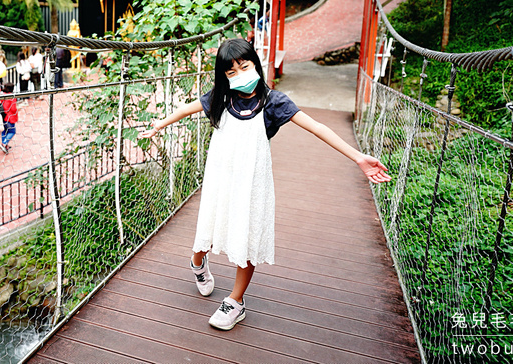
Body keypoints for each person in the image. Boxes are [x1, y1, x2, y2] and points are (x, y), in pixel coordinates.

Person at [139, 39, 391, 331]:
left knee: (247, 236)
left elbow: (317, 127)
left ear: (255, 65)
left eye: (245, 67)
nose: (240, 75)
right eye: (231, 72)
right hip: (220, 177)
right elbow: (186, 109)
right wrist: (160, 124)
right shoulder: (222, 98)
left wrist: (358, 157)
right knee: (207, 232)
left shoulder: (274, 102)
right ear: (223, 76)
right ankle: (198, 263)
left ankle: (236, 301)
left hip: (252, 183)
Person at [0, 83, 18, 152]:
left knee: (4, 131)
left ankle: (4, 144)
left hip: (2, 116)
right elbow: (12, 108)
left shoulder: (2, 95)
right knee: (12, 131)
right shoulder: (11, 97)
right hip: (9, 117)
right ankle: (4, 144)